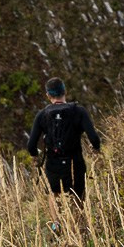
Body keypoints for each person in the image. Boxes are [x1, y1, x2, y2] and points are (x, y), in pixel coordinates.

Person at [27, 78, 101, 224]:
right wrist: (96, 150)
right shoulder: (78, 111)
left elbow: (31, 145)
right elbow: (94, 138)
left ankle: (57, 225)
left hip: (54, 165)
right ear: (65, 91)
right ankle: (79, 225)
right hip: (76, 162)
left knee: (54, 194)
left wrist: (35, 157)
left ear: (48, 95)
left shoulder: (42, 115)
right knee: (78, 195)